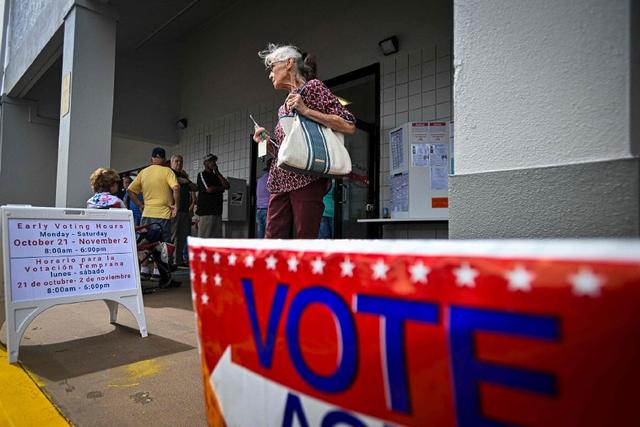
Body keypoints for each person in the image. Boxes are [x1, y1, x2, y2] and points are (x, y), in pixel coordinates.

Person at [253, 43, 355, 238]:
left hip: (307, 176)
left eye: (272, 66)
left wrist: (306, 111)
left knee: (304, 237)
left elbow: (348, 124)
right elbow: (289, 150)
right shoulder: (283, 107)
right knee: (272, 238)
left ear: (289, 63)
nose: (270, 73)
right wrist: (266, 140)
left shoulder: (313, 88)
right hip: (280, 179)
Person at [127, 147, 180, 286]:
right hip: (162, 215)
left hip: (147, 214)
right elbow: (176, 188)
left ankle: (143, 271)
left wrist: (140, 204)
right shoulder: (167, 171)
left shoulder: (144, 172)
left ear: (151, 159)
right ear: (163, 159)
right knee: (164, 246)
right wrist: (176, 206)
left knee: (145, 244)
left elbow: (130, 190)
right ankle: (161, 275)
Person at [170, 154, 196, 267]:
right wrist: (178, 180)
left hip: (185, 211)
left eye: (181, 161)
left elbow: (195, 188)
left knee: (182, 237)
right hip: (174, 210)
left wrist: (186, 181)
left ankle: (178, 261)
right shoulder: (169, 174)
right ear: (171, 163)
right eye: (176, 161)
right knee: (173, 236)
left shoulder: (184, 176)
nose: (179, 163)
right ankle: (169, 261)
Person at [196, 154, 229, 238]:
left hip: (217, 212)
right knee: (204, 239)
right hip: (206, 212)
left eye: (214, 161)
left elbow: (227, 186)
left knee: (216, 239)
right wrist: (221, 189)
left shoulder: (217, 176)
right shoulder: (201, 174)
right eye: (210, 161)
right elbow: (209, 189)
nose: (213, 163)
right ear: (205, 163)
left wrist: (218, 173)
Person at [255, 158, 272, 238]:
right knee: (268, 234)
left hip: (258, 210)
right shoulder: (272, 178)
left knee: (260, 233)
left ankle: (260, 249)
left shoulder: (260, 179)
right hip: (267, 209)